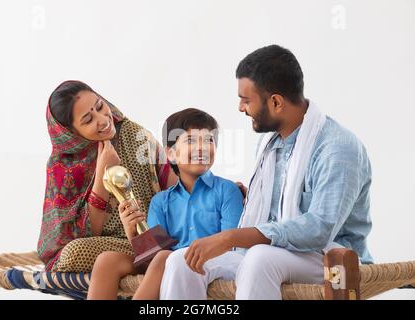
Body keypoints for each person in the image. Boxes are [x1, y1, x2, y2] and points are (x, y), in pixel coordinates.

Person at [159, 45, 373, 300]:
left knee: (260, 258)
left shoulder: (337, 148)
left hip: (329, 256)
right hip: (270, 253)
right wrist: (249, 199)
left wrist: (230, 237)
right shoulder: (270, 144)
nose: (240, 107)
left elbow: (319, 229)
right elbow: (277, 210)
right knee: (182, 260)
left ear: (275, 102)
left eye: (246, 100)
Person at [87, 108, 244, 299]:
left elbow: (231, 246)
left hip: (214, 262)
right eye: (191, 140)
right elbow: (152, 254)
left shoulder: (228, 191)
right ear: (170, 154)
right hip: (165, 262)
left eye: (209, 140)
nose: (202, 147)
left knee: (166, 258)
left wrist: (173, 256)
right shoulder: (161, 201)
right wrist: (132, 232)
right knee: (107, 260)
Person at [37, 81, 177, 290]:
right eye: (88, 119)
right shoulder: (62, 165)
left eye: (100, 106)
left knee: (101, 258)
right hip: (110, 245)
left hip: (156, 235)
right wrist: (102, 172)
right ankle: (143, 261)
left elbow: (177, 187)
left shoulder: (134, 135)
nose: (103, 120)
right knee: (73, 254)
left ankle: (151, 258)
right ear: (70, 132)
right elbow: (83, 235)